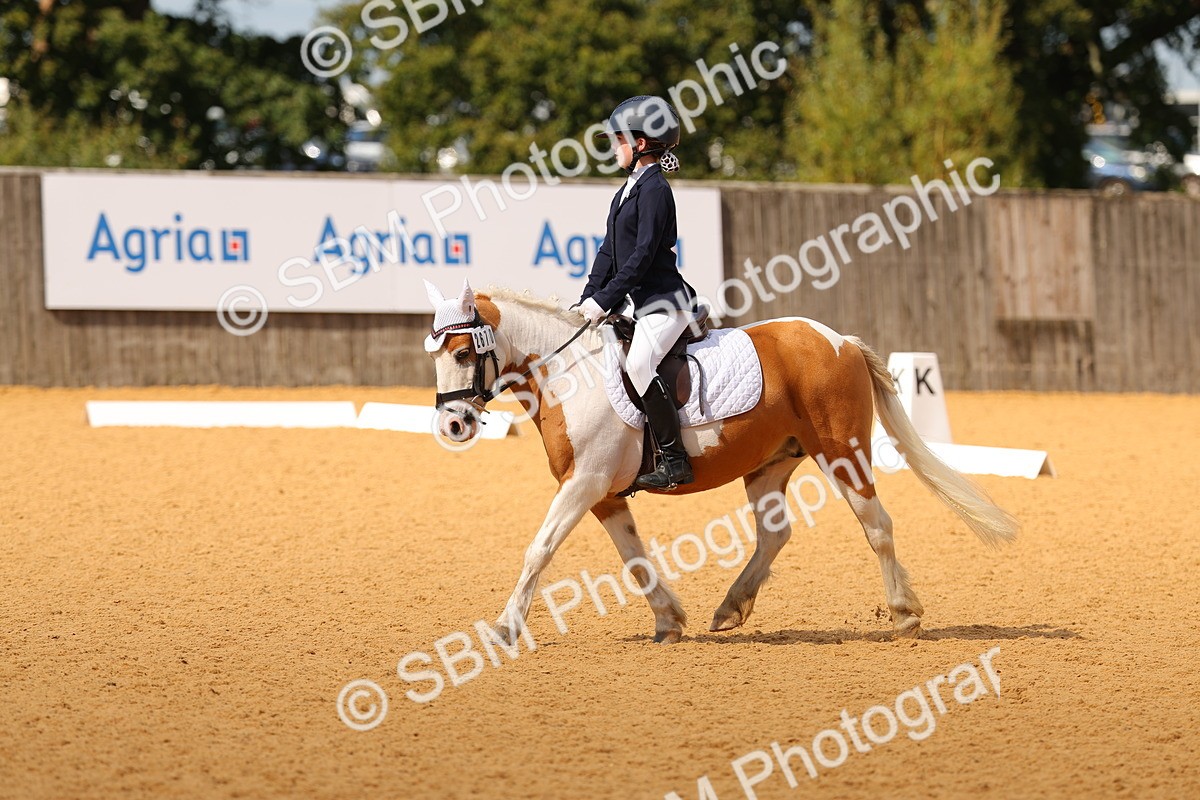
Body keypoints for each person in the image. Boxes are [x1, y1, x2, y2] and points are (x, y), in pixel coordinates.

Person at [577, 95, 697, 490]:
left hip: (666, 303)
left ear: (641, 143)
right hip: (643, 306)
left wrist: (606, 299)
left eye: (619, 139)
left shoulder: (655, 190)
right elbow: (609, 251)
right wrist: (589, 296)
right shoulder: (626, 191)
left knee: (639, 364)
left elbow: (643, 256)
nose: (614, 146)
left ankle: (675, 460)